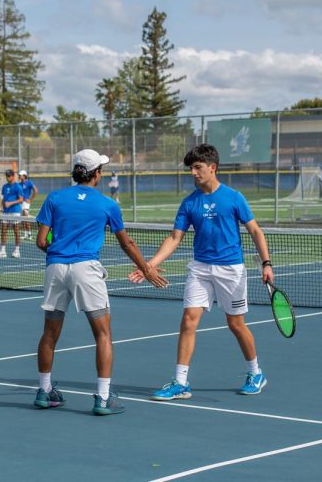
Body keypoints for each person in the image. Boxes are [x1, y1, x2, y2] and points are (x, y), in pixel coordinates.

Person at [129, 143, 274, 401]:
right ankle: (181, 382)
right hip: (200, 268)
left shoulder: (234, 197)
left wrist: (266, 263)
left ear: (212, 167)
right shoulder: (189, 203)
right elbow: (175, 238)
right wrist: (148, 265)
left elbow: (255, 231)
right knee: (188, 320)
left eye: (198, 168)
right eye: (191, 169)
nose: (193, 173)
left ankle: (256, 372)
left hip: (231, 269)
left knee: (236, 324)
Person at [33, 149, 168, 416]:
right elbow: (126, 243)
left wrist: (62, 250)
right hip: (87, 270)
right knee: (103, 335)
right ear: (97, 174)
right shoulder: (108, 204)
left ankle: (44, 391)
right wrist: (147, 269)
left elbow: (41, 241)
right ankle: (103, 398)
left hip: (55, 268)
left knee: (49, 335)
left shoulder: (55, 198)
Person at [0, 169, 24, 258]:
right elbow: (4, 198)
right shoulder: (4, 186)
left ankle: (17, 251)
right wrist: (1, 206)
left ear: (13, 176)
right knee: (3, 230)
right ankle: (3, 251)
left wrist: (10, 203)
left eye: (9, 176)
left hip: (15, 211)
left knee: (16, 231)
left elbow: (21, 199)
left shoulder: (18, 187)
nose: (7, 177)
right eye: (6, 176)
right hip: (6, 212)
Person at [18, 170, 38, 239]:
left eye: (20, 175)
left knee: (26, 217)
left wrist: (31, 200)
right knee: (24, 219)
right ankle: (25, 234)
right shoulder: (19, 184)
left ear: (24, 176)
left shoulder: (29, 183)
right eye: (19, 175)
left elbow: (36, 191)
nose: (19, 176)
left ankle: (29, 234)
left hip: (26, 203)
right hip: (20, 203)